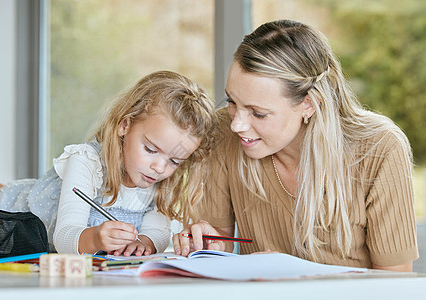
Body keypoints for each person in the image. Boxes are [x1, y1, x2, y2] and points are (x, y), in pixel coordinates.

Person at [173, 19, 418, 272]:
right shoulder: (224, 131)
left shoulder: (380, 148)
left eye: (258, 113)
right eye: (232, 101)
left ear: (309, 104)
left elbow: (393, 281)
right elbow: (218, 243)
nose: (237, 124)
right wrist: (205, 243)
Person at [0, 70, 216, 257]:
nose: (160, 168)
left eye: (174, 160)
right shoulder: (86, 161)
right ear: (124, 125)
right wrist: (94, 238)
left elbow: (158, 232)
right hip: (17, 215)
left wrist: (146, 242)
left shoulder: (160, 178)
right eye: (150, 149)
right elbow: (63, 238)